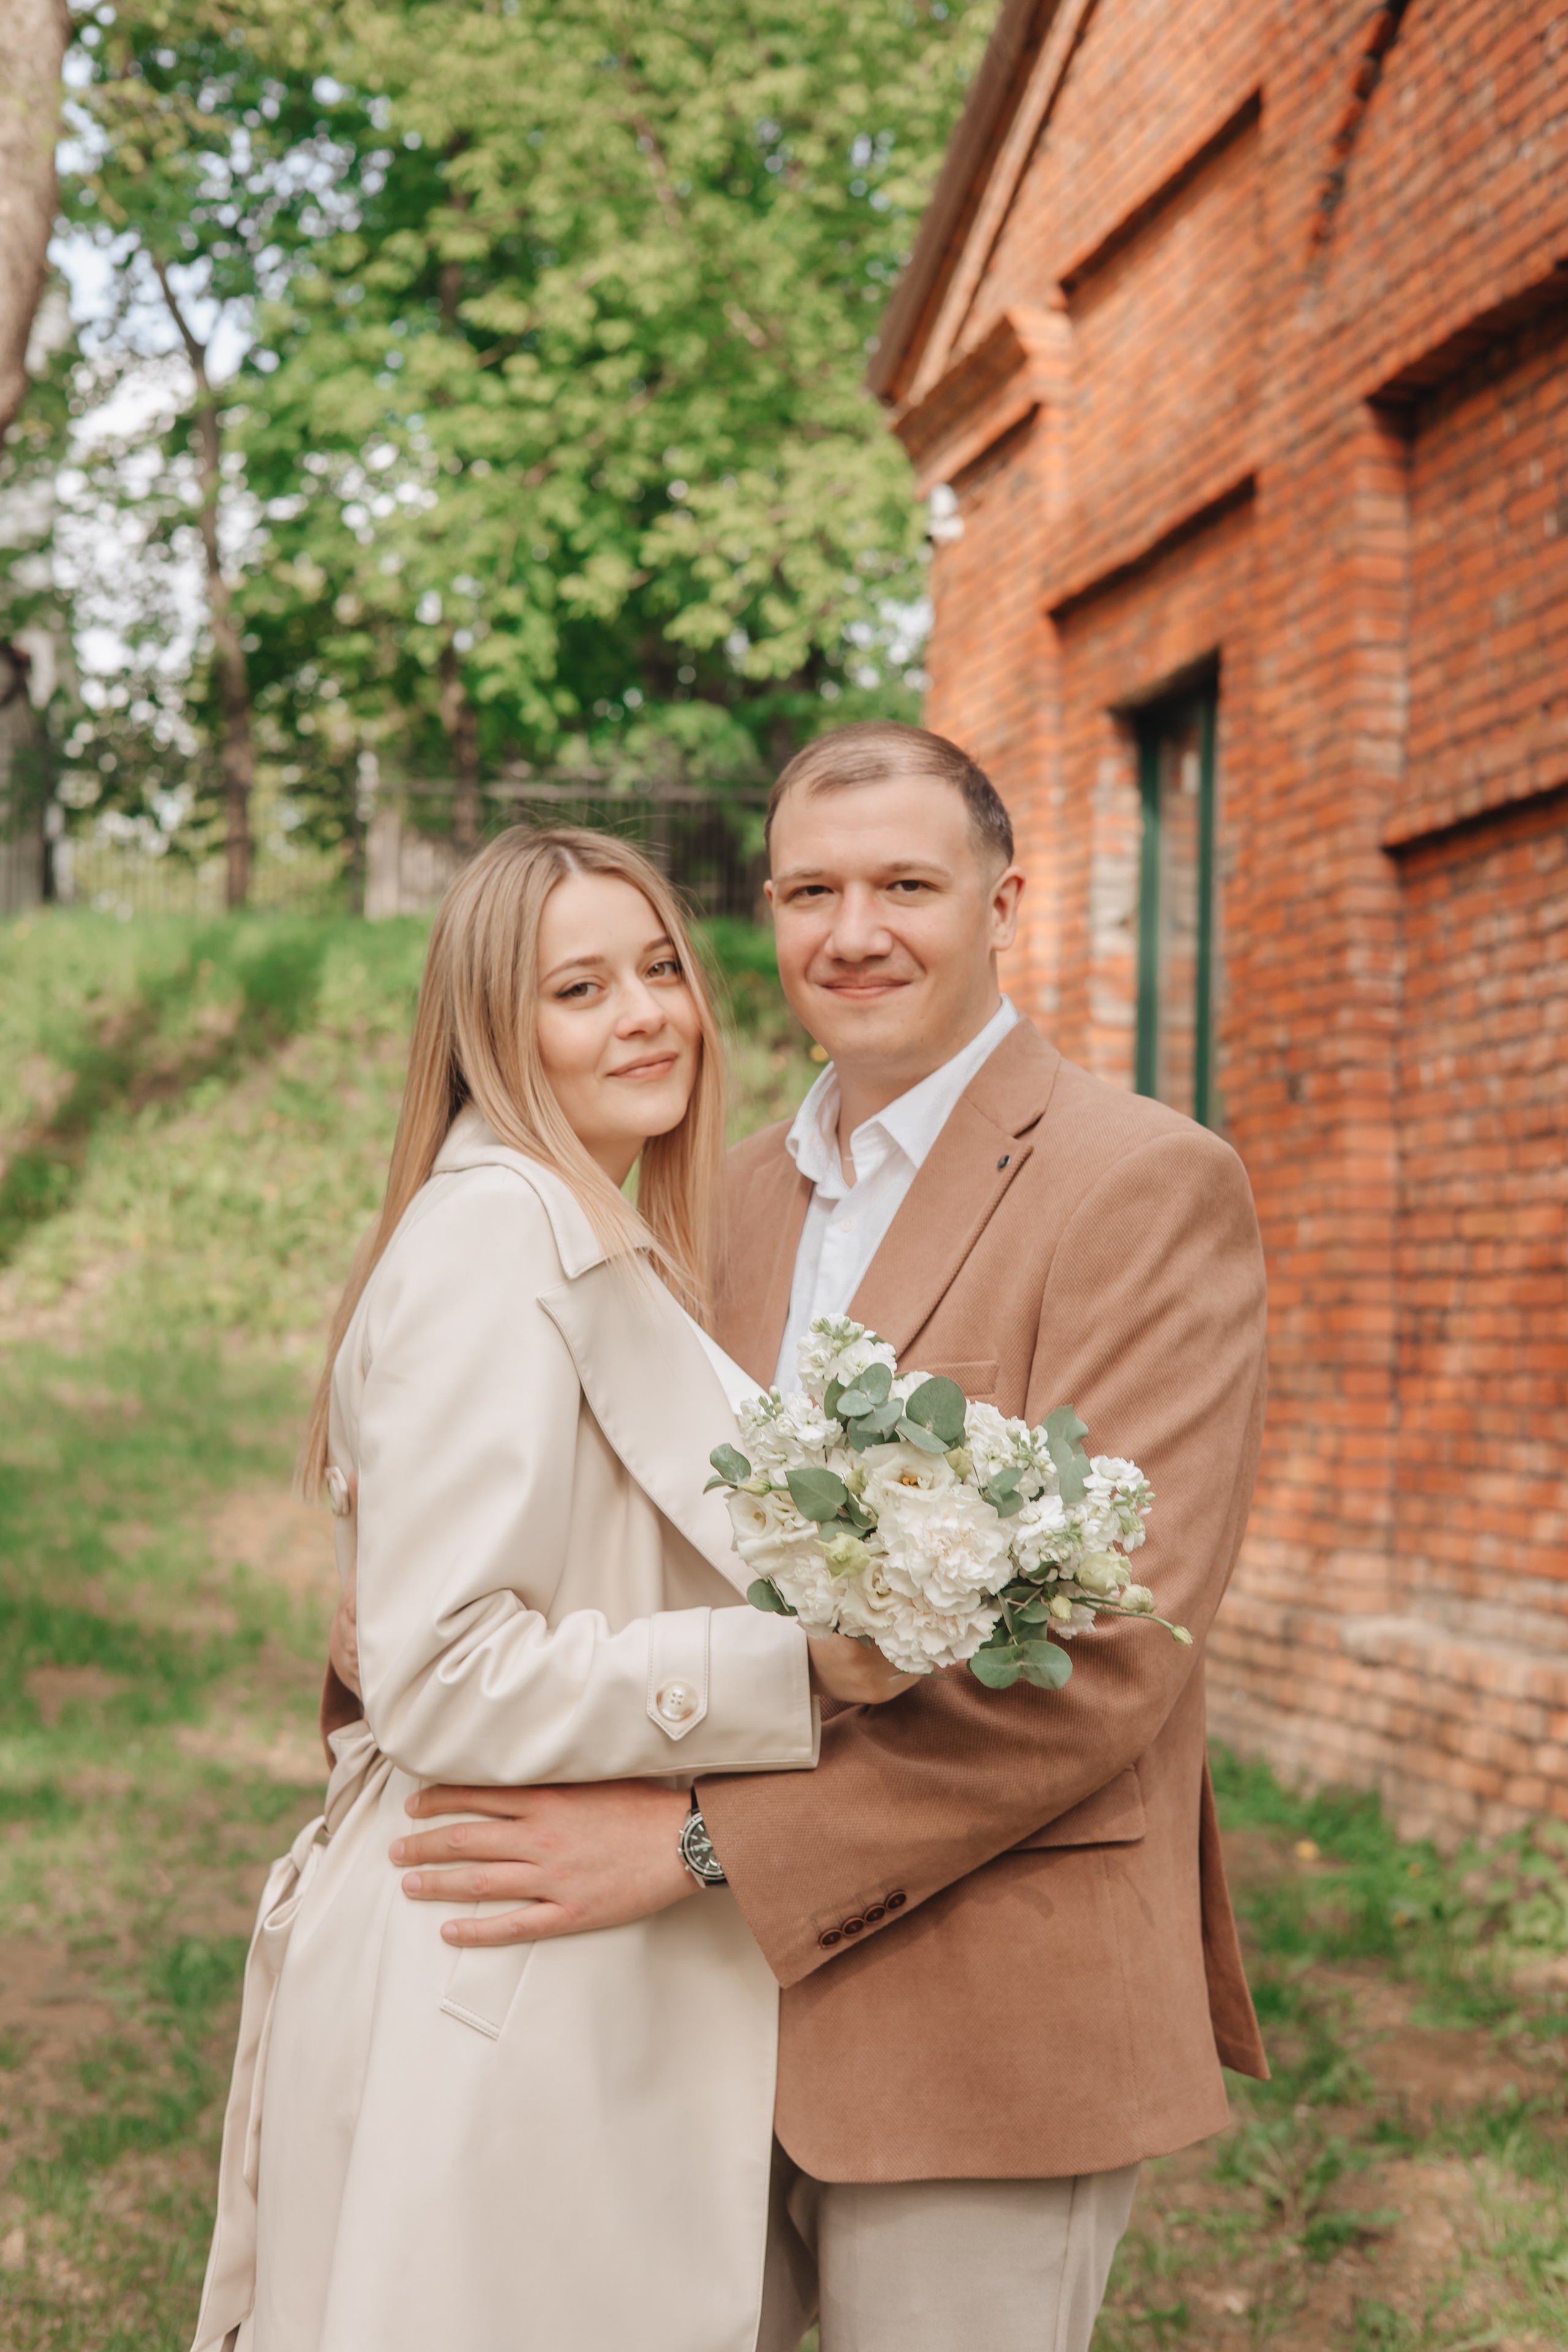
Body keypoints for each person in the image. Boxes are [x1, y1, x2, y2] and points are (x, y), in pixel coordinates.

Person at [363, 723, 1272, 2352]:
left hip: (981, 2014)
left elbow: (1103, 1662)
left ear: (1003, 903)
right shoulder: (694, 1198)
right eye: (809, 892)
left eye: (906, 886)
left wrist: (697, 1847)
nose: (854, 933)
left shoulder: (1141, 1185)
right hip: (670, 2014)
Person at [190, 826, 913, 2352]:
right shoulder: (493, 1233)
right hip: (490, 1971)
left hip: (544, 1963)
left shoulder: (586, 1227)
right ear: (488, 1028)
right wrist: (792, 1667)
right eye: (578, 989)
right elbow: (443, 1671)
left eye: (659, 969)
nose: (644, 1015)